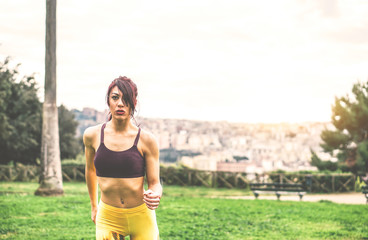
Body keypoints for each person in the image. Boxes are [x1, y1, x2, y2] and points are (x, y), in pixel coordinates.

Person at [83, 76, 162, 240]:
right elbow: (90, 171)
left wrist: (155, 194)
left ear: (134, 102)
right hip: (108, 217)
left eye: (126, 99)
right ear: (108, 101)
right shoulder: (92, 135)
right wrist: (93, 206)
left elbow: (155, 183)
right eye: (115, 97)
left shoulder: (147, 140)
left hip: (141, 216)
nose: (120, 103)